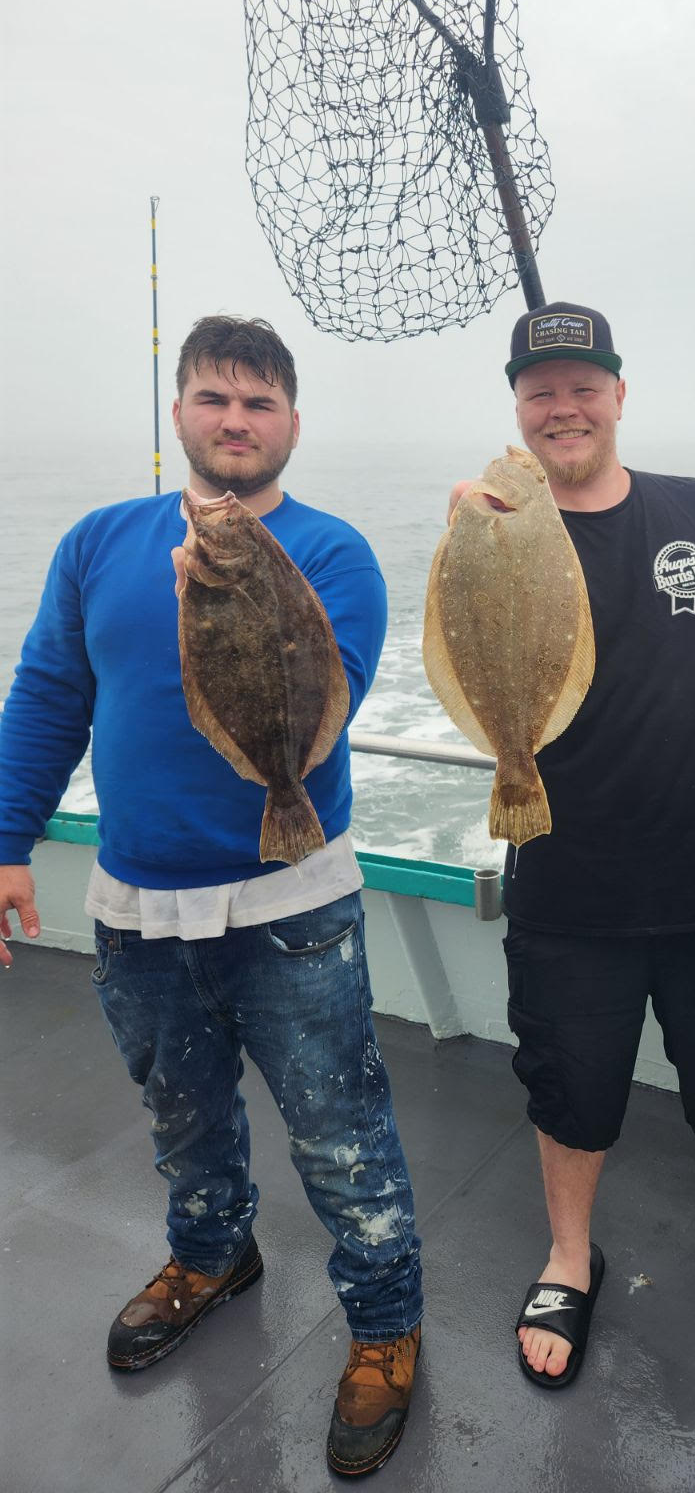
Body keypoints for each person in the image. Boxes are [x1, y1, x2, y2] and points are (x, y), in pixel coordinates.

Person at [0, 317, 423, 1480]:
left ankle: (386, 1322)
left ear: (293, 424)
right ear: (180, 410)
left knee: (341, 1135)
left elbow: (328, 687)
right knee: (183, 1120)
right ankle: (211, 1254)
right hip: (136, 909)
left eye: (259, 403)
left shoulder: (330, 551)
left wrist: (229, 592)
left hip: (293, 906)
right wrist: (7, 839)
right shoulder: (98, 542)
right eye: (214, 398)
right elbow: (48, 693)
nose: (236, 420)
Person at [450, 300, 695, 1389]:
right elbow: (461, 651)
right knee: (570, 1091)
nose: (563, 407)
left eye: (584, 386)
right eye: (540, 391)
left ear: (620, 394)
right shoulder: (493, 528)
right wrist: (466, 545)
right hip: (570, 885)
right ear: (516, 406)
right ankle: (569, 1257)